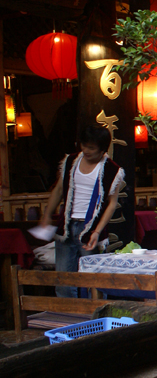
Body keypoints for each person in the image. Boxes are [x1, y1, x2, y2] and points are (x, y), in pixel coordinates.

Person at [39, 126, 126, 298]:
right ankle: (68, 313)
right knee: (63, 280)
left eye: (91, 148)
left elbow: (111, 203)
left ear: (102, 149)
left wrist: (97, 231)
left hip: (90, 228)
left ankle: (97, 313)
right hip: (67, 226)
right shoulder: (71, 161)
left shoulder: (112, 170)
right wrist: (47, 215)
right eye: (84, 145)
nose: (86, 150)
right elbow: (58, 190)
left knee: (95, 282)